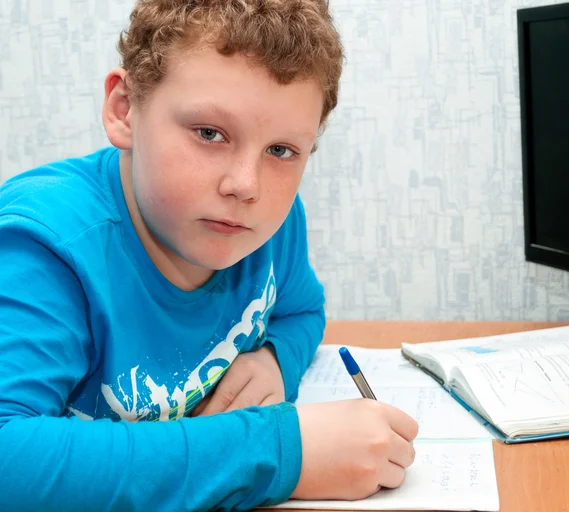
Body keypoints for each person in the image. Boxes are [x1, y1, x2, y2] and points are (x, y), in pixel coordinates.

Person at [0, 1, 418, 510]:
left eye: (281, 151)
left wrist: (274, 360)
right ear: (124, 108)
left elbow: (303, 310)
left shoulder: (268, 227)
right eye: (209, 133)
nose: (246, 186)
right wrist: (283, 451)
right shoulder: (45, 247)